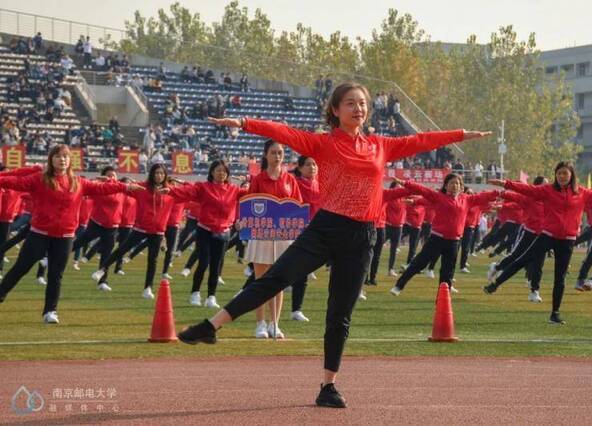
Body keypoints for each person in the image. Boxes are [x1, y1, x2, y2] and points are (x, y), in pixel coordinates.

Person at [177, 81, 490, 408]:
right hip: (326, 227)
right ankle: (211, 327)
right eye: (351, 103)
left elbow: (420, 140)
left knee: (340, 313)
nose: (358, 109)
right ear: (336, 110)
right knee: (274, 278)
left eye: (363, 104)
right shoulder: (323, 143)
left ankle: (328, 385)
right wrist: (245, 124)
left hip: (363, 236)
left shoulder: (380, 146)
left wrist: (458, 134)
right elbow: (284, 133)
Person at [485, 162, 592, 324]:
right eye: (559, 173)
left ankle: (555, 313)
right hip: (548, 235)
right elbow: (528, 190)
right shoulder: (548, 190)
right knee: (523, 258)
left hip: (567, 240)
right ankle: (496, 284)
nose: (561, 176)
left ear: (571, 175)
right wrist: (505, 184)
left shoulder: (582, 192)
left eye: (564, 173)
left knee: (560, 278)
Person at [0, 145, 141, 323]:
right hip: (39, 234)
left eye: (66, 157)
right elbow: (12, 182)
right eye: (58, 156)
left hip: (65, 237)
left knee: (56, 275)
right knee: (20, 268)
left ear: (70, 160)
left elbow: (102, 189)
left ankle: (50, 311)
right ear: (51, 160)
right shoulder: (39, 179)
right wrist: (30, 169)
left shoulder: (78, 182)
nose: (62, 159)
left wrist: (125, 187)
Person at [390, 175, 500, 296]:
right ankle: (399, 285)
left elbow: (482, 197)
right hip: (436, 239)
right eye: (452, 183)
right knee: (419, 264)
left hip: (453, 242)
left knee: (447, 273)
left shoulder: (467, 199)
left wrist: (498, 192)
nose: (455, 185)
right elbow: (423, 190)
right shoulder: (438, 197)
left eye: (458, 183)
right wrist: (405, 182)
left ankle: (443, 299)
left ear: (461, 187)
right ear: (446, 185)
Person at [161, 160, 247, 309]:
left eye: (224, 171)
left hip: (224, 232)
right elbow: (187, 192)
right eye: (218, 170)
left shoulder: (234, 190)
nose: (221, 173)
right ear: (212, 172)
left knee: (216, 266)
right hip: (205, 230)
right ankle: (195, 293)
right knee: (203, 262)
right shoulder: (203, 187)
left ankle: (211, 297)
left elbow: (253, 194)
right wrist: (170, 190)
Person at [244, 139, 303, 340]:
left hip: (283, 236)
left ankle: (274, 324)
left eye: (280, 153)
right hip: (262, 235)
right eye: (273, 153)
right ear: (265, 155)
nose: (277, 156)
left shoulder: (290, 180)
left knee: (279, 281)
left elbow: (297, 206)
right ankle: (260, 323)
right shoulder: (258, 179)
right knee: (260, 282)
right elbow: (249, 204)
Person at [91, 164, 175, 300]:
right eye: (156, 173)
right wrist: (108, 181)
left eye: (161, 173)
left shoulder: (171, 192)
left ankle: (148, 288)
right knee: (122, 249)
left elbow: (189, 191)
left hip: (158, 232)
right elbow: (123, 186)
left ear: (165, 175)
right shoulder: (142, 188)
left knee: (152, 261)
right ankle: (102, 270)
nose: (159, 176)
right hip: (140, 228)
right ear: (151, 174)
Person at [487, 176, 548, 302]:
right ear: (536, 187)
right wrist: (500, 192)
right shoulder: (528, 198)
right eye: (544, 185)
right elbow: (514, 196)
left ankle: (534, 291)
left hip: (543, 236)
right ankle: (497, 267)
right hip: (528, 233)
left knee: (538, 263)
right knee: (516, 256)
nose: (547, 187)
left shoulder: (549, 199)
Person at [72, 166, 125, 291]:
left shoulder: (121, 188)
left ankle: (103, 282)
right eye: (108, 175)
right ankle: (53, 257)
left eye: (113, 175)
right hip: (96, 223)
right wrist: (100, 181)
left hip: (112, 227)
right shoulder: (99, 188)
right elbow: (84, 188)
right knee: (78, 242)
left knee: (106, 255)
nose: (111, 178)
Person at [290, 156, 320, 321]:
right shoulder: (294, 183)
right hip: (293, 231)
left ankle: (296, 310)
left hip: (313, 232)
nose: (312, 167)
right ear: (300, 168)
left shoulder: (321, 183)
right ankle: (246, 289)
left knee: (303, 270)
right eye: (308, 164)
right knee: (275, 265)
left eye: (314, 164)